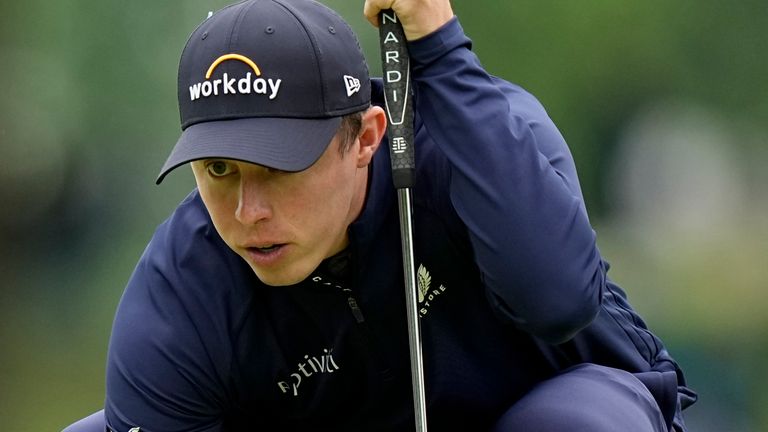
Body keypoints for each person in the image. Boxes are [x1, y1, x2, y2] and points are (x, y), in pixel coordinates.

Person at [64, 0, 697, 431]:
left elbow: (559, 300)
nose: (247, 211)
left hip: (566, 406)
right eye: (219, 171)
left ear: (367, 136)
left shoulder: (474, 145)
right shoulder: (185, 285)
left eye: (280, 167)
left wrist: (440, 44)